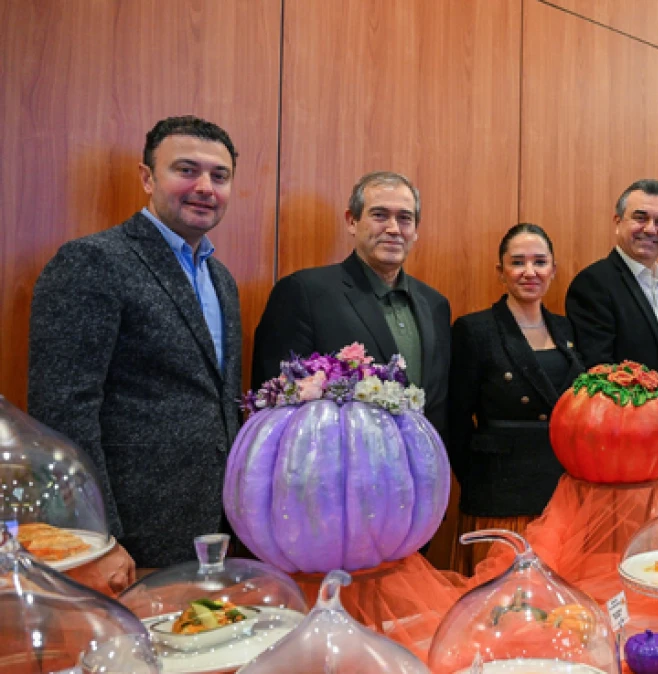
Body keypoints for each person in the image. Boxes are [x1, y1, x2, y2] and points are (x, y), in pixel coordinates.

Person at [27, 116, 243, 567]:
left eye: (219, 176)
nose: (205, 187)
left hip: (214, 532)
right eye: (186, 170)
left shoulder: (221, 279)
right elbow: (63, 412)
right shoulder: (93, 261)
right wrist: (96, 537)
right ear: (147, 178)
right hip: (129, 538)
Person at [252, 171, 452, 435]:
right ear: (352, 221)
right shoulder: (305, 292)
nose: (393, 229)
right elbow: (277, 401)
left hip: (417, 470)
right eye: (379, 215)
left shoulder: (435, 304)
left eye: (405, 218)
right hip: (334, 468)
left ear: (415, 230)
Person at [446, 224, 584, 575]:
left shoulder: (566, 329)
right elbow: (456, 418)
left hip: (559, 486)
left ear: (553, 270)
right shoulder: (474, 330)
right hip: (499, 490)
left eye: (539, 262)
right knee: (498, 602)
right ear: (501, 272)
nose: (529, 272)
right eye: (517, 262)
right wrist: (476, 475)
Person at [566, 179, 658, 473]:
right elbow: (600, 372)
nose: (651, 229)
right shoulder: (595, 284)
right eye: (640, 217)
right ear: (617, 221)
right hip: (625, 449)